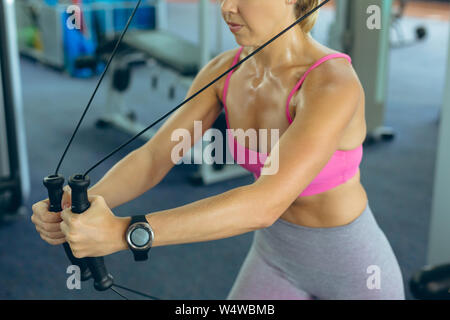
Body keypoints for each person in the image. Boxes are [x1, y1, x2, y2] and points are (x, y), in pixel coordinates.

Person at [31, 0, 405, 299]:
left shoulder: (332, 84)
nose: (227, 8)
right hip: (275, 257)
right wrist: (80, 205)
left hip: (352, 266)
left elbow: (264, 203)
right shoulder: (223, 71)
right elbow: (156, 156)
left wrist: (124, 232)